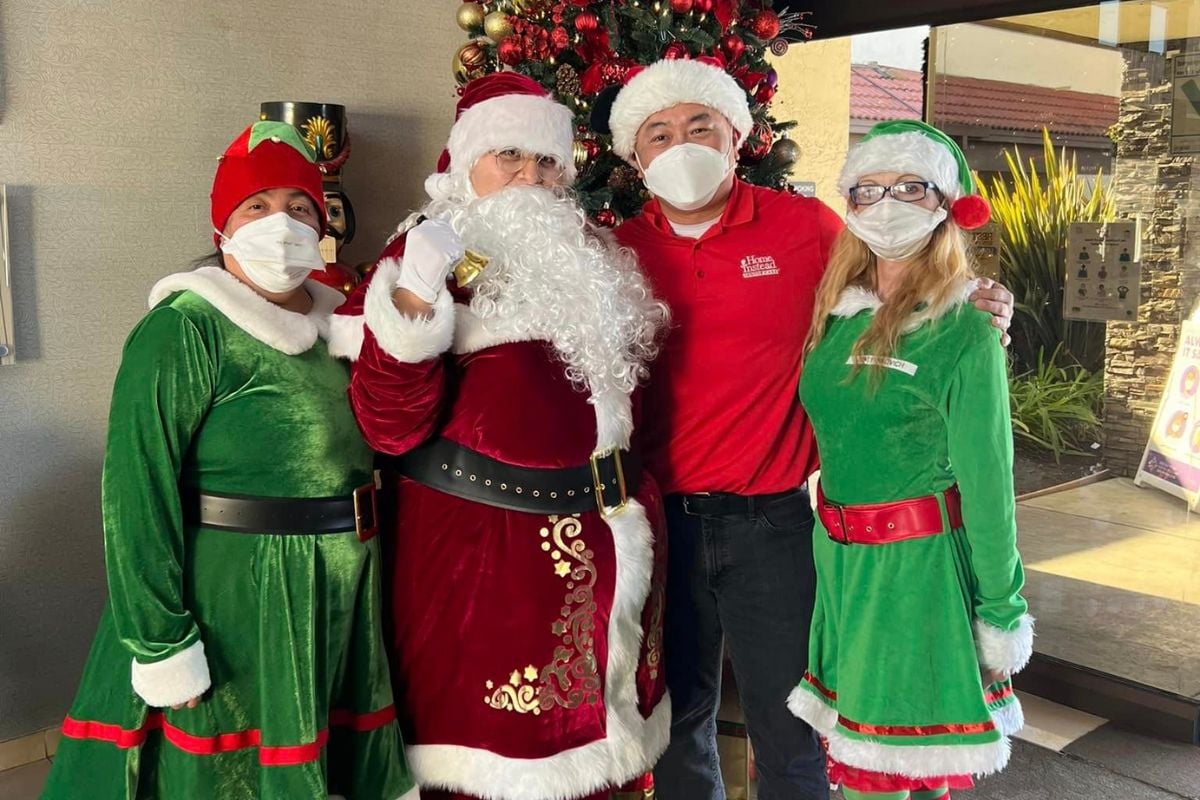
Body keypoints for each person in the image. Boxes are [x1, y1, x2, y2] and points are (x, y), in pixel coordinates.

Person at [596, 57, 1015, 800]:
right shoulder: (616, 252)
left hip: (777, 527)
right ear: (636, 156)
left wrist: (975, 304)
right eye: (659, 133)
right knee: (677, 718)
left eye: (701, 126)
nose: (681, 145)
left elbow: (899, 287)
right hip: (660, 525)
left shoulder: (805, 229)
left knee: (790, 725)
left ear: (737, 139)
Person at [41, 122, 417, 800]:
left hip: (342, 590)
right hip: (241, 602)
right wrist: (161, 642)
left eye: (301, 208)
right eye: (258, 206)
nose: (284, 223)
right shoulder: (185, 327)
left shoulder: (343, 332)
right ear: (223, 226)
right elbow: (135, 490)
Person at [328, 72, 670, 800]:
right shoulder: (418, 266)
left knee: (600, 760)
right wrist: (415, 302)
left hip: (610, 556)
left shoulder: (592, 259)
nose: (530, 177)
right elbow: (388, 427)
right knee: (497, 766)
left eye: (547, 162)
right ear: (463, 164)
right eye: (508, 155)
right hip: (484, 567)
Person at [786, 120, 1033, 800]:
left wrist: (1002, 610)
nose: (886, 203)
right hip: (841, 565)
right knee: (868, 764)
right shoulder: (836, 316)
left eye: (910, 187)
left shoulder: (965, 327)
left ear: (946, 203)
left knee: (891, 773)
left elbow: (989, 481)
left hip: (918, 572)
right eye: (868, 189)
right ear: (850, 204)